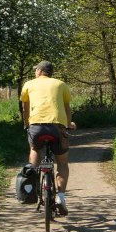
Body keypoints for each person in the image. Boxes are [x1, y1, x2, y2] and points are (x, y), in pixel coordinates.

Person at [20, 60, 75, 215]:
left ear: (39, 71)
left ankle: (32, 172)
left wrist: (26, 123)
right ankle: (61, 197)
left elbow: (25, 107)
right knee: (62, 162)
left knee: (35, 148)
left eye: (35, 70)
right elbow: (66, 107)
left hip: (36, 126)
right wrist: (68, 124)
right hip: (57, 127)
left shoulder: (28, 84)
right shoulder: (61, 84)